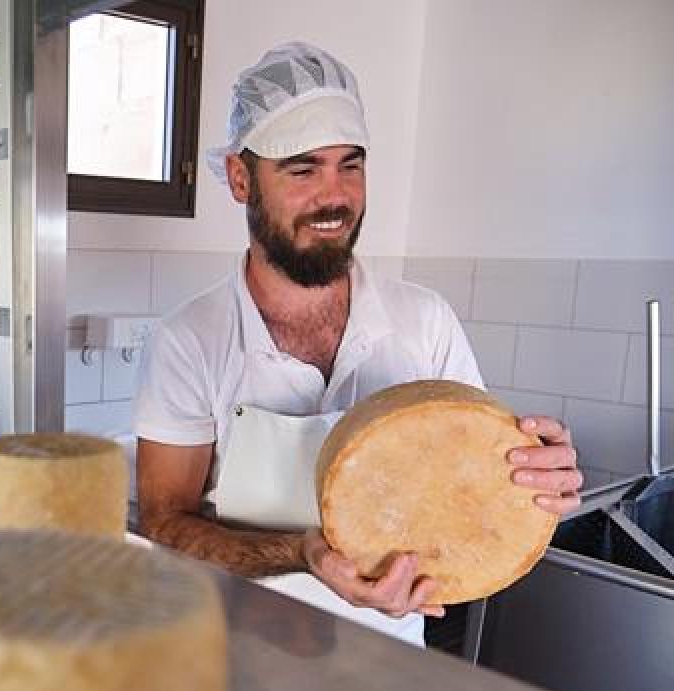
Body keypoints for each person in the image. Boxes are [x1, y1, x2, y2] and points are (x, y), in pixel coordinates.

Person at [133, 42, 583, 645]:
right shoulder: (190, 340)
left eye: (351, 164)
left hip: (389, 660)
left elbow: (471, 475)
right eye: (303, 170)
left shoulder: (424, 320)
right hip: (236, 659)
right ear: (241, 178)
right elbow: (166, 525)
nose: (335, 195)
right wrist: (303, 553)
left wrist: (535, 471)